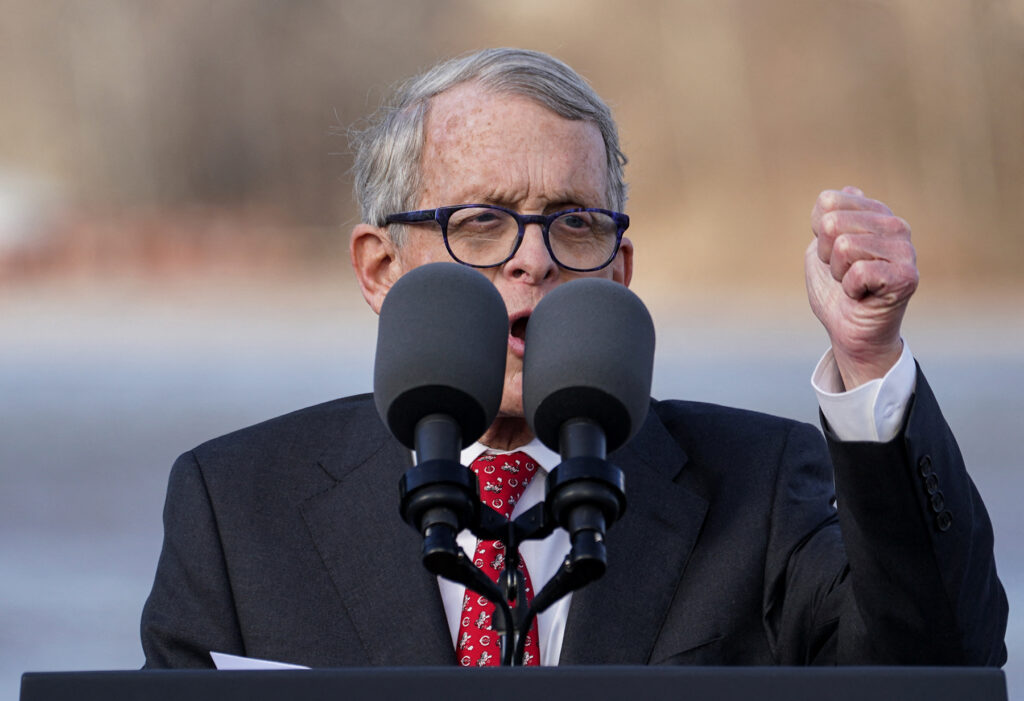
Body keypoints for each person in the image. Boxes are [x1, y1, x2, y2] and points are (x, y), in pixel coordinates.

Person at [140, 48, 1007, 668]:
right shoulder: (236, 505)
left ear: (619, 274)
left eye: (576, 223)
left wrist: (870, 359)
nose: (533, 258)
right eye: (479, 222)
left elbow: (941, 662)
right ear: (380, 267)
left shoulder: (760, 485)